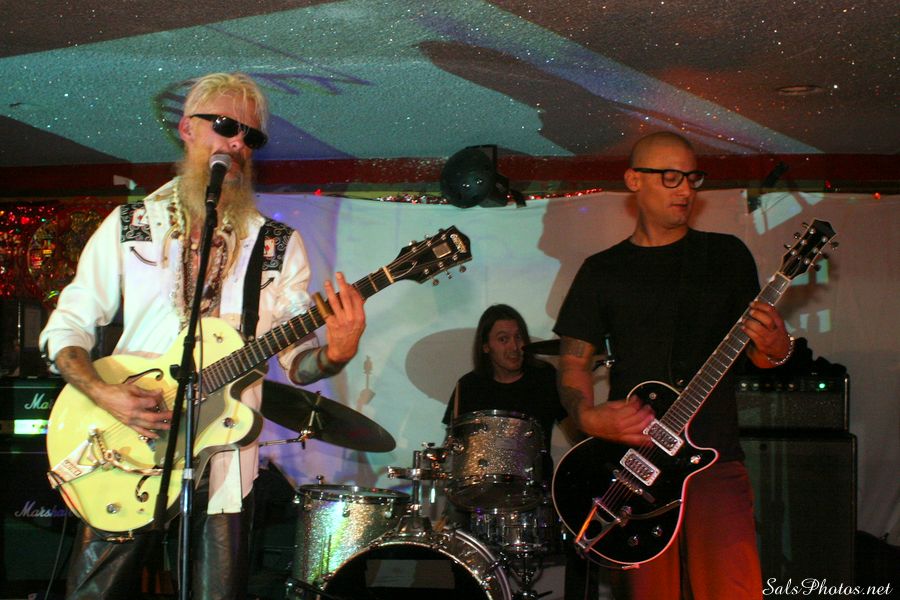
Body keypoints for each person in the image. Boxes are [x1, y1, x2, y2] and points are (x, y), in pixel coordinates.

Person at [39, 72, 366, 599]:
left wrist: (337, 352)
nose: (237, 143)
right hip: (128, 443)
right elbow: (68, 323)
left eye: (250, 136)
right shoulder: (131, 225)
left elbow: (298, 362)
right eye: (225, 126)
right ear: (188, 128)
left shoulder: (276, 245)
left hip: (225, 457)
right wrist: (102, 392)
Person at [553, 131, 793, 600]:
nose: (685, 189)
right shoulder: (602, 271)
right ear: (633, 181)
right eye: (669, 177)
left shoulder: (726, 256)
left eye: (691, 178)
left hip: (714, 461)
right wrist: (588, 418)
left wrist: (777, 346)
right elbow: (572, 363)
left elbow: (762, 357)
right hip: (636, 467)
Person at [441, 303, 594, 600]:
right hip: (481, 500)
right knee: (455, 540)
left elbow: (576, 432)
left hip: (535, 493)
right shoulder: (468, 386)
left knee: (584, 531)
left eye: (518, 337)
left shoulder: (545, 377)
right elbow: (454, 448)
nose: (514, 346)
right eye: (503, 339)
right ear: (486, 346)